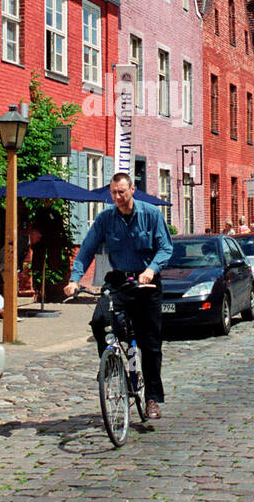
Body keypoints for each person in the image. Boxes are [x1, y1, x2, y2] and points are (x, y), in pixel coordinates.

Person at [64, 172, 173, 419]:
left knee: (151, 344)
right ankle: (112, 364)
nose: (117, 197)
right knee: (99, 320)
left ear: (132, 190)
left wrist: (151, 269)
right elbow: (86, 250)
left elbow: (166, 248)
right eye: (113, 193)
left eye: (121, 192)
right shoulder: (105, 219)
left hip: (147, 284)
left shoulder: (151, 214)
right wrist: (74, 279)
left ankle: (152, 398)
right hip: (120, 281)